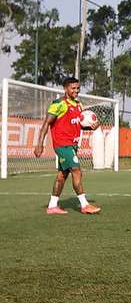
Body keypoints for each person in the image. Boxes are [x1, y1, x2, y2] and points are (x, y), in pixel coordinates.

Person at [33, 77, 101, 214]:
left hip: (73, 145)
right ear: (65, 89)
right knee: (76, 171)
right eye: (73, 88)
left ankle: (52, 206)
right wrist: (39, 144)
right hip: (63, 145)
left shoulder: (78, 105)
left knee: (62, 176)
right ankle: (85, 205)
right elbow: (46, 123)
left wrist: (91, 127)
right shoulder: (58, 104)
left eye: (78, 88)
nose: (76, 91)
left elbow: (80, 125)